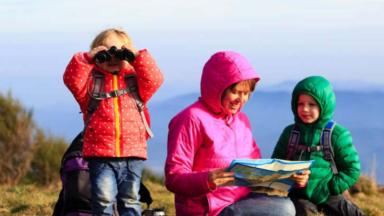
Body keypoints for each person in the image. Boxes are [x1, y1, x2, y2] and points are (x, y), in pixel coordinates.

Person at [165, 51, 306, 216]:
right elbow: (173, 178)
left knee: (288, 204)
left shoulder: (241, 120)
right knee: (283, 209)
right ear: (217, 88)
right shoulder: (191, 119)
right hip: (209, 209)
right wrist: (207, 179)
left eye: (246, 93)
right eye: (236, 92)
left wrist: (290, 177)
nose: (241, 99)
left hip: (242, 199)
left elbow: (255, 169)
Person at [63, 28, 164, 216]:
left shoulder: (136, 82)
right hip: (100, 154)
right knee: (103, 200)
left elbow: (155, 79)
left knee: (131, 199)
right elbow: (71, 79)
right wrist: (86, 58)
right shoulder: (91, 84)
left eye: (119, 52)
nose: (113, 58)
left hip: (133, 152)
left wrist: (137, 56)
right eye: (106, 52)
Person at [272, 76, 364, 216]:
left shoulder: (337, 135)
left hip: (328, 193)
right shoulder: (290, 133)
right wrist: (291, 177)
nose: (305, 109)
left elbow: (352, 169)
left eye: (312, 104)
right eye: (300, 103)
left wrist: (330, 187)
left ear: (324, 105)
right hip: (299, 194)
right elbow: (276, 164)